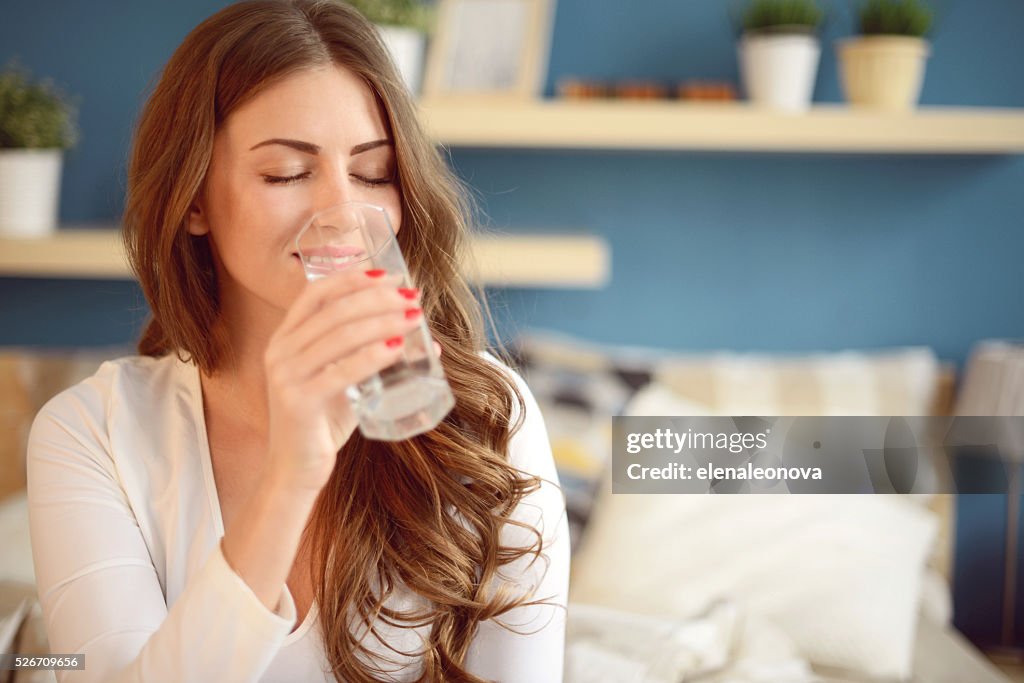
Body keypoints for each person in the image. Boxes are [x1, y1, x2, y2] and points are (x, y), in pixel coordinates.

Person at [25, 1, 570, 681]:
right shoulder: (90, 434)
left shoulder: (485, 418)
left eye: (373, 173)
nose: (341, 211)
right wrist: (290, 475)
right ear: (193, 199)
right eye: (286, 172)